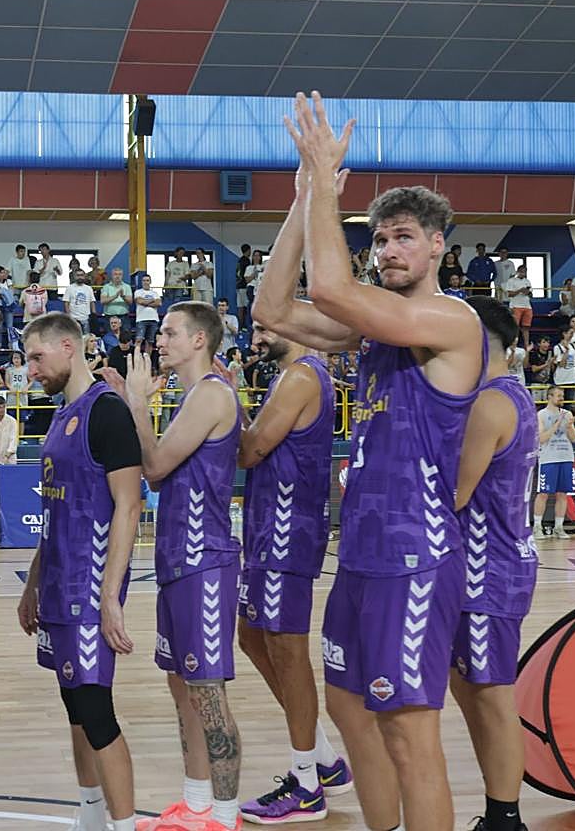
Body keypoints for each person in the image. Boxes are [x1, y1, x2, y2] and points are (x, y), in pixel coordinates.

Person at [255, 92, 485, 831]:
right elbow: (274, 310)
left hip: (415, 561)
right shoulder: (376, 336)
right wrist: (301, 198)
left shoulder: (450, 322)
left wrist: (327, 183)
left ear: (440, 245)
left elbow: (327, 286)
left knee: (410, 737)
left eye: (404, 238)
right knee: (352, 716)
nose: (388, 251)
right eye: (379, 239)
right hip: (359, 558)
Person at [105, 303, 244, 831]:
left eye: (169, 332)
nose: (159, 340)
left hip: (204, 562)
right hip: (176, 560)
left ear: (199, 339)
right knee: (183, 689)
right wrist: (131, 401)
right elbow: (160, 470)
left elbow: (156, 467)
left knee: (207, 695)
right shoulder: (191, 395)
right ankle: (196, 803)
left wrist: (137, 401)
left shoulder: (210, 392)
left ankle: (224, 817)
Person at [19, 311, 143, 831]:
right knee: (74, 705)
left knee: (95, 711)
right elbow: (54, 510)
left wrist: (110, 597)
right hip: (56, 584)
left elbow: (129, 506)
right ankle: (91, 814)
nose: (30, 370)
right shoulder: (61, 414)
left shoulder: (106, 412)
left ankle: (125, 823)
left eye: (36, 357)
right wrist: (31, 585)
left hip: (89, 589)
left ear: (68, 347)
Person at [235, 320, 351, 824]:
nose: (256, 337)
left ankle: (306, 784)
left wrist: (220, 401)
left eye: (263, 328)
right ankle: (324, 760)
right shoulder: (290, 377)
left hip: (287, 532)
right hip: (268, 530)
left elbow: (247, 450)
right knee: (251, 637)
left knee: (286, 649)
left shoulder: (302, 376)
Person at [451, 297, 538, 831]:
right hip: (489, 566)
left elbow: (455, 495)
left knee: (492, 697)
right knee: (472, 692)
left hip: (490, 570)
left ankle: (506, 819)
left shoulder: (489, 403)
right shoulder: (510, 395)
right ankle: (496, 809)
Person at [533, 386, 575, 540]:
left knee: (562, 494)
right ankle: (537, 527)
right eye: (558, 395)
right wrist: (557, 424)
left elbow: (574, 438)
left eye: (562, 395)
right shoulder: (541, 414)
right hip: (549, 458)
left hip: (566, 456)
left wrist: (570, 426)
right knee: (543, 493)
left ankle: (559, 527)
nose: (561, 398)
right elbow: (542, 438)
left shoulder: (568, 414)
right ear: (549, 397)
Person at [503, 265, 532, 348]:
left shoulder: (528, 281)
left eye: (525, 271)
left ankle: (526, 345)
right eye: (522, 271)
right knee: (515, 326)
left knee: (526, 326)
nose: (523, 273)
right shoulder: (511, 281)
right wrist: (520, 290)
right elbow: (510, 294)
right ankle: (513, 343)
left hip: (527, 306)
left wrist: (527, 292)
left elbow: (531, 294)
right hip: (515, 306)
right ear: (518, 271)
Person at [0, 265, 17, 349]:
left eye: (3, 272)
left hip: (8, 306)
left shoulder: (9, 281)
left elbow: (11, 293)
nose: (3, 274)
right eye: (1, 272)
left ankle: (11, 344)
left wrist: (2, 293)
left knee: (10, 326)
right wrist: (4, 293)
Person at [0, 395, 18, 465]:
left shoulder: (12, 421)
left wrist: (7, 455)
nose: (2, 409)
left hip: (9, 460)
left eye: (4, 407)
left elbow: (13, 440)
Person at [133, 274, 161, 348]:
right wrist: (152, 300)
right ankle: (136, 357)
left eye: (147, 280)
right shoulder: (138, 292)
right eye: (144, 280)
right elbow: (140, 301)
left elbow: (158, 303)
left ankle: (147, 358)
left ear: (150, 282)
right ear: (141, 282)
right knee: (139, 340)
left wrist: (145, 303)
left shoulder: (155, 293)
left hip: (153, 319)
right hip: (141, 319)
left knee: (150, 342)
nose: (145, 282)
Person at [65, 268, 96, 334]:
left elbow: (92, 302)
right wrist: (69, 316)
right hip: (74, 318)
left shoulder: (89, 288)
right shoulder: (69, 288)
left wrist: (93, 315)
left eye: (81, 275)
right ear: (74, 276)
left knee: (86, 339)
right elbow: (66, 303)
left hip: (86, 318)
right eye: (78, 275)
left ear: (84, 276)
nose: (80, 277)